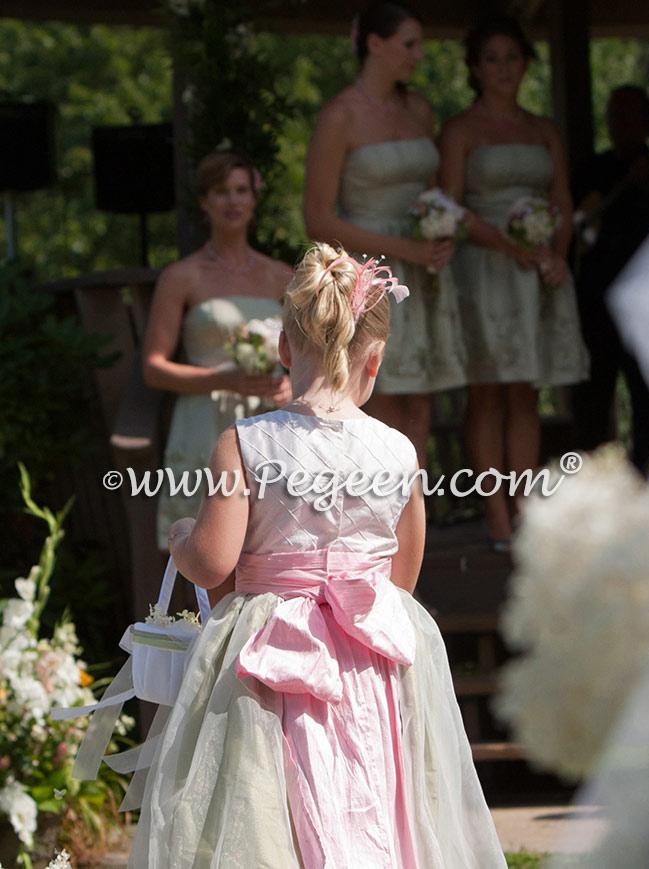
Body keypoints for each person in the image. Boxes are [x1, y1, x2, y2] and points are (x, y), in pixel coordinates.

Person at [128, 243, 507, 867]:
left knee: (271, 805)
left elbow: (213, 562)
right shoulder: (399, 452)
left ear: (283, 347)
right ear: (375, 362)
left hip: (270, 655)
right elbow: (401, 575)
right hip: (370, 660)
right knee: (378, 791)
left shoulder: (244, 443)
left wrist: (182, 537)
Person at [438, 13, 588, 551]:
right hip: (485, 270)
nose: (504, 68)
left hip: (537, 271)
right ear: (476, 68)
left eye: (513, 58)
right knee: (487, 391)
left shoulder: (542, 128)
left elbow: (564, 202)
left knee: (526, 391)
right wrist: (513, 247)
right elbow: (450, 206)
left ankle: (526, 508)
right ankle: (495, 513)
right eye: (492, 59)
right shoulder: (461, 130)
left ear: (526, 63)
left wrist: (555, 256)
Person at [303, 0, 467, 469]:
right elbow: (317, 217)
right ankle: (374, 515)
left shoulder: (419, 110)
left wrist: (440, 228)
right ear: (374, 44)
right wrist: (404, 249)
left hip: (425, 269)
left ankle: (410, 515)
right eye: (409, 44)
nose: (419, 55)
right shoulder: (340, 116)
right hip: (371, 276)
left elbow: (432, 190)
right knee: (380, 395)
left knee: (422, 401)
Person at [142, 150, 293, 550]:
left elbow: (314, 352)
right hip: (204, 419)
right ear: (204, 202)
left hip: (271, 421)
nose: (233, 201)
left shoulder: (280, 275)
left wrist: (290, 386)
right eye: (221, 191)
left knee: (275, 541)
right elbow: (153, 368)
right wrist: (224, 379)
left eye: (241, 190)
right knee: (205, 546)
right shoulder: (182, 276)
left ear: (254, 199)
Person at [571, 85, 649, 473]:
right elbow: (578, 224)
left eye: (628, 115)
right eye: (613, 115)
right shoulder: (592, 169)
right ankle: (592, 480)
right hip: (597, 302)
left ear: (647, 122)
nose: (619, 124)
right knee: (592, 397)